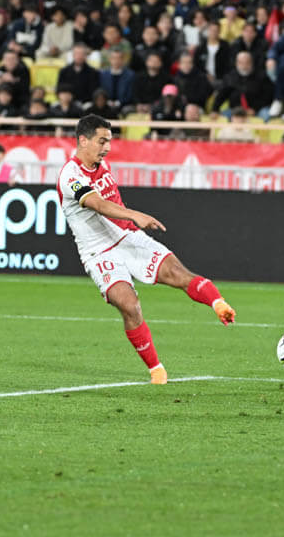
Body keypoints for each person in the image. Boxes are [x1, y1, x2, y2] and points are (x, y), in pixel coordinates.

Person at [57, 115, 237, 384]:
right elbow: (98, 204)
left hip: (128, 237)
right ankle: (157, 370)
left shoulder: (102, 164)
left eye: (109, 141)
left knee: (177, 273)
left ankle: (219, 304)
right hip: (98, 252)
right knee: (129, 305)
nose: (107, 148)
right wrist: (134, 214)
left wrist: (130, 223)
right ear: (83, 140)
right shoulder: (70, 175)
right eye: (101, 141)